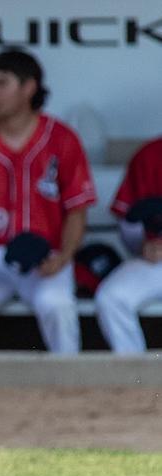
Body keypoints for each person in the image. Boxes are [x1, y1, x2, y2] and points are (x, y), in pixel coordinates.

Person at [0, 49, 96, 354]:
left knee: (57, 305)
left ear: (29, 88)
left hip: (44, 254)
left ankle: (70, 386)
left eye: (2, 83)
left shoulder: (62, 139)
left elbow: (77, 211)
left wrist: (64, 257)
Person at [94, 139, 162, 353]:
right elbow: (128, 221)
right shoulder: (151, 154)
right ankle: (134, 378)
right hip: (157, 262)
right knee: (111, 298)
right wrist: (143, 245)